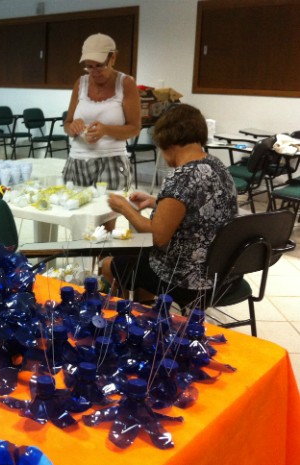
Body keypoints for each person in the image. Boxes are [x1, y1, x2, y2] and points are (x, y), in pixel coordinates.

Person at [99, 103, 238, 307]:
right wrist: (157, 202)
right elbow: (201, 206)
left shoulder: (182, 176)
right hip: (224, 272)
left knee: (110, 264)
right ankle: (148, 310)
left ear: (167, 141)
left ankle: (125, 319)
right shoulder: (216, 165)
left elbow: (158, 237)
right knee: (138, 257)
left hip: (188, 281)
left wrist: (124, 208)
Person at [62, 33, 141, 191]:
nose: (95, 71)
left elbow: (134, 128)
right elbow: (67, 124)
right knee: (74, 210)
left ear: (113, 58)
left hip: (112, 161)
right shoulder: (81, 83)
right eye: (89, 67)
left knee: (106, 213)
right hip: (77, 160)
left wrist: (105, 130)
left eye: (100, 65)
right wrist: (73, 127)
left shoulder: (125, 84)